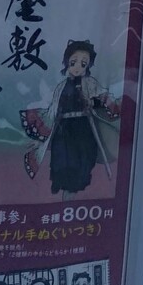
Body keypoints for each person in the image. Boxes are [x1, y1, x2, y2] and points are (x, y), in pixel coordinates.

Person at [20, 39, 118, 196]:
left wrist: (94, 102)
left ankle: (75, 192)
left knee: (82, 159)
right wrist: (41, 135)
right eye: (73, 62)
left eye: (83, 64)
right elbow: (52, 111)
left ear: (88, 66)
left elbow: (104, 98)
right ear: (67, 63)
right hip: (63, 130)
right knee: (62, 160)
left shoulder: (90, 83)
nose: (78, 67)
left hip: (83, 127)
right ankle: (63, 191)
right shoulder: (61, 87)